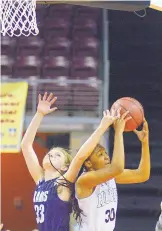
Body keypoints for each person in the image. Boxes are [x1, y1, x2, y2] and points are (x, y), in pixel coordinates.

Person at [21, 92, 121, 231]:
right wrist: (39, 114)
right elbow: (25, 146)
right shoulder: (40, 180)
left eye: (58, 155)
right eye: (50, 153)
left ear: (64, 167)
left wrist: (102, 127)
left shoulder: (64, 183)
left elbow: (80, 157)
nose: (52, 155)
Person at [75, 118, 150, 231]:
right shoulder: (84, 180)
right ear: (88, 163)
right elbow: (117, 168)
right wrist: (118, 132)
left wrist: (144, 143)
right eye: (100, 154)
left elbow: (142, 175)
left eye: (106, 152)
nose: (106, 156)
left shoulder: (110, 176)